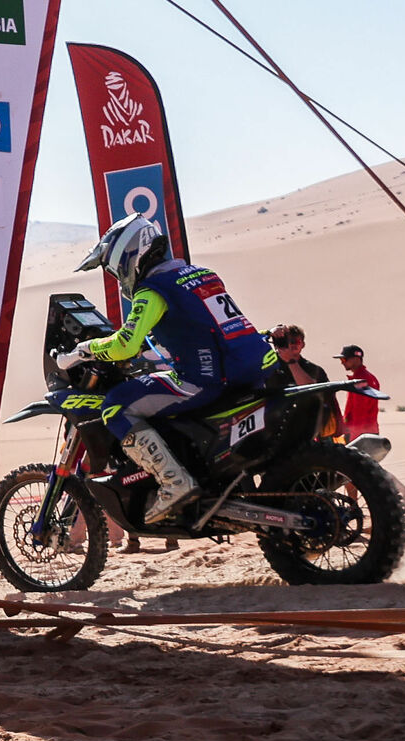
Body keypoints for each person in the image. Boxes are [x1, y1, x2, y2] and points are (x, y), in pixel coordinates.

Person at [72, 215, 280, 518]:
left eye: (115, 270)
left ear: (129, 256)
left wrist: (86, 349)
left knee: (115, 404)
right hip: (255, 365)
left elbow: (124, 345)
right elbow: (202, 325)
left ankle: (174, 481)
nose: (118, 277)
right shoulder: (200, 274)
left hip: (207, 379)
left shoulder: (153, 290)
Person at [335, 345, 383, 441]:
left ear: (356, 359)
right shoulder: (367, 378)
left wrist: (353, 438)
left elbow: (359, 411)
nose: (342, 363)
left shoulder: (361, 381)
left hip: (361, 435)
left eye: (344, 359)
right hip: (366, 432)